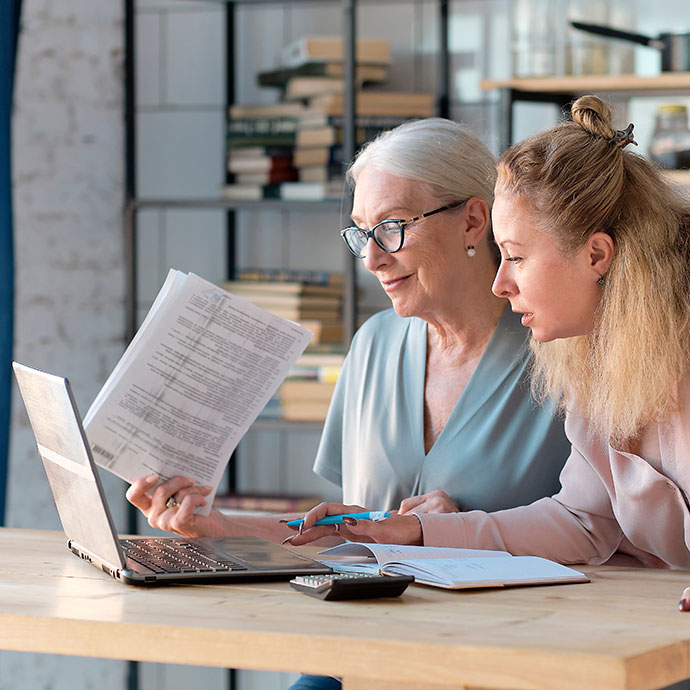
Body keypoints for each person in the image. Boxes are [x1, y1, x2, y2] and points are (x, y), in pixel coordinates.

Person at [291, 96, 690, 602]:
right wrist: (420, 533)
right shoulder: (593, 361)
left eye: (517, 258)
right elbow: (581, 522)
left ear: (596, 254)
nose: (500, 283)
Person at [126, 117, 569, 545]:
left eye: (391, 227)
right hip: (373, 618)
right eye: (361, 234)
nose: (372, 259)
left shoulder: (561, 350)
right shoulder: (373, 344)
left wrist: (453, 534)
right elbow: (352, 537)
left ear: (473, 220)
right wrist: (215, 525)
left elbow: (600, 536)